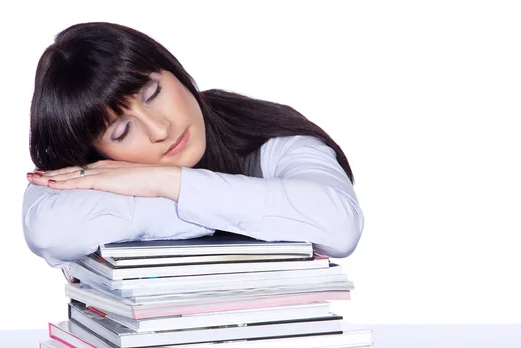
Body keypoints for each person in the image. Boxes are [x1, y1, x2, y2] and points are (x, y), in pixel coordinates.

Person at [23, 22, 364, 272]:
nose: (159, 129)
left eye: (153, 94)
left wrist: (164, 182)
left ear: (174, 71)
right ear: (97, 155)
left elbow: (340, 226)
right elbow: (50, 232)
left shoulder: (267, 134)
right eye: (123, 131)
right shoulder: (85, 175)